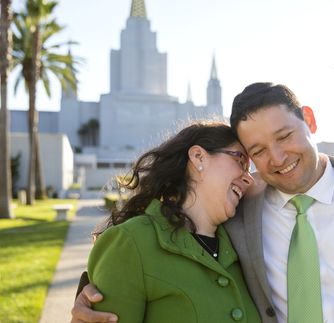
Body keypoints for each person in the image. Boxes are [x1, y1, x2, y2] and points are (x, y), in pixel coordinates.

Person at [72, 83, 334, 323]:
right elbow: (167, 247)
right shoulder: (240, 212)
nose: (278, 158)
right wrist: (88, 297)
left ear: (309, 120)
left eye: (285, 136)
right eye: (256, 152)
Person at [77, 121, 260, 323]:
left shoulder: (242, 249)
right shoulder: (130, 242)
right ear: (199, 157)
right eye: (241, 161)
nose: (248, 178)